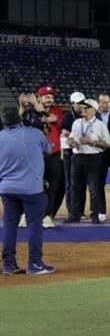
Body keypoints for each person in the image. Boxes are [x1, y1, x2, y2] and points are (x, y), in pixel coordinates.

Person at [0, 106, 54, 275]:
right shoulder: (34, 133)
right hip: (32, 189)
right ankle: (35, 264)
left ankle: (8, 265)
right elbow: (49, 150)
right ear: (20, 119)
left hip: (7, 188)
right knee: (34, 225)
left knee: (9, 225)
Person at [66, 99, 110, 224]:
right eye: (83, 107)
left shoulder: (100, 125)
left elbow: (108, 144)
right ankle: (74, 214)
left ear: (94, 110)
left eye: (87, 107)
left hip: (93, 158)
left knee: (93, 188)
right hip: (77, 157)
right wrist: (71, 142)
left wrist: (92, 142)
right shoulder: (77, 123)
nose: (83, 109)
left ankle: (95, 215)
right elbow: (71, 138)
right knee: (75, 187)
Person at [37, 87, 63, 229]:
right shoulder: (31, 111)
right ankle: (27, 214)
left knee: (52, 186)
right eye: (46, 96)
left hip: (53, 153)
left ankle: (48, 215)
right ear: (39, 97)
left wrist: (38, 110)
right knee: (33, 185)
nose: (50, 99)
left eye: (52, 97)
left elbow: (52, 118)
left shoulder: (57, 110)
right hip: (36, 154)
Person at [60, 92, 88, 222]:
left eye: (83, 102)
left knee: (82, 183)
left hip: (83, 153)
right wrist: (73, 136)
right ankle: (72, 211)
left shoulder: (86, 115)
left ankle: (80, 211)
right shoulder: (68, 116)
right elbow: (64, 131)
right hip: (70, 152)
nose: (81, 105)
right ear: (72, 104)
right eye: (79, 103)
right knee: (70, 183)